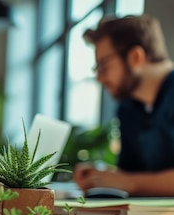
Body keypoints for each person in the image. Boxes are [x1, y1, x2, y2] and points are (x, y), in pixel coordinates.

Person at [74, 14, 174, 196]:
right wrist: (101, 175)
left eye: (103, 66)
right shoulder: (127, 108)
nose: (99, 78)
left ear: (136, 57)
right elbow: (131, 173)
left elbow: (130, 181)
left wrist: (127, 182)